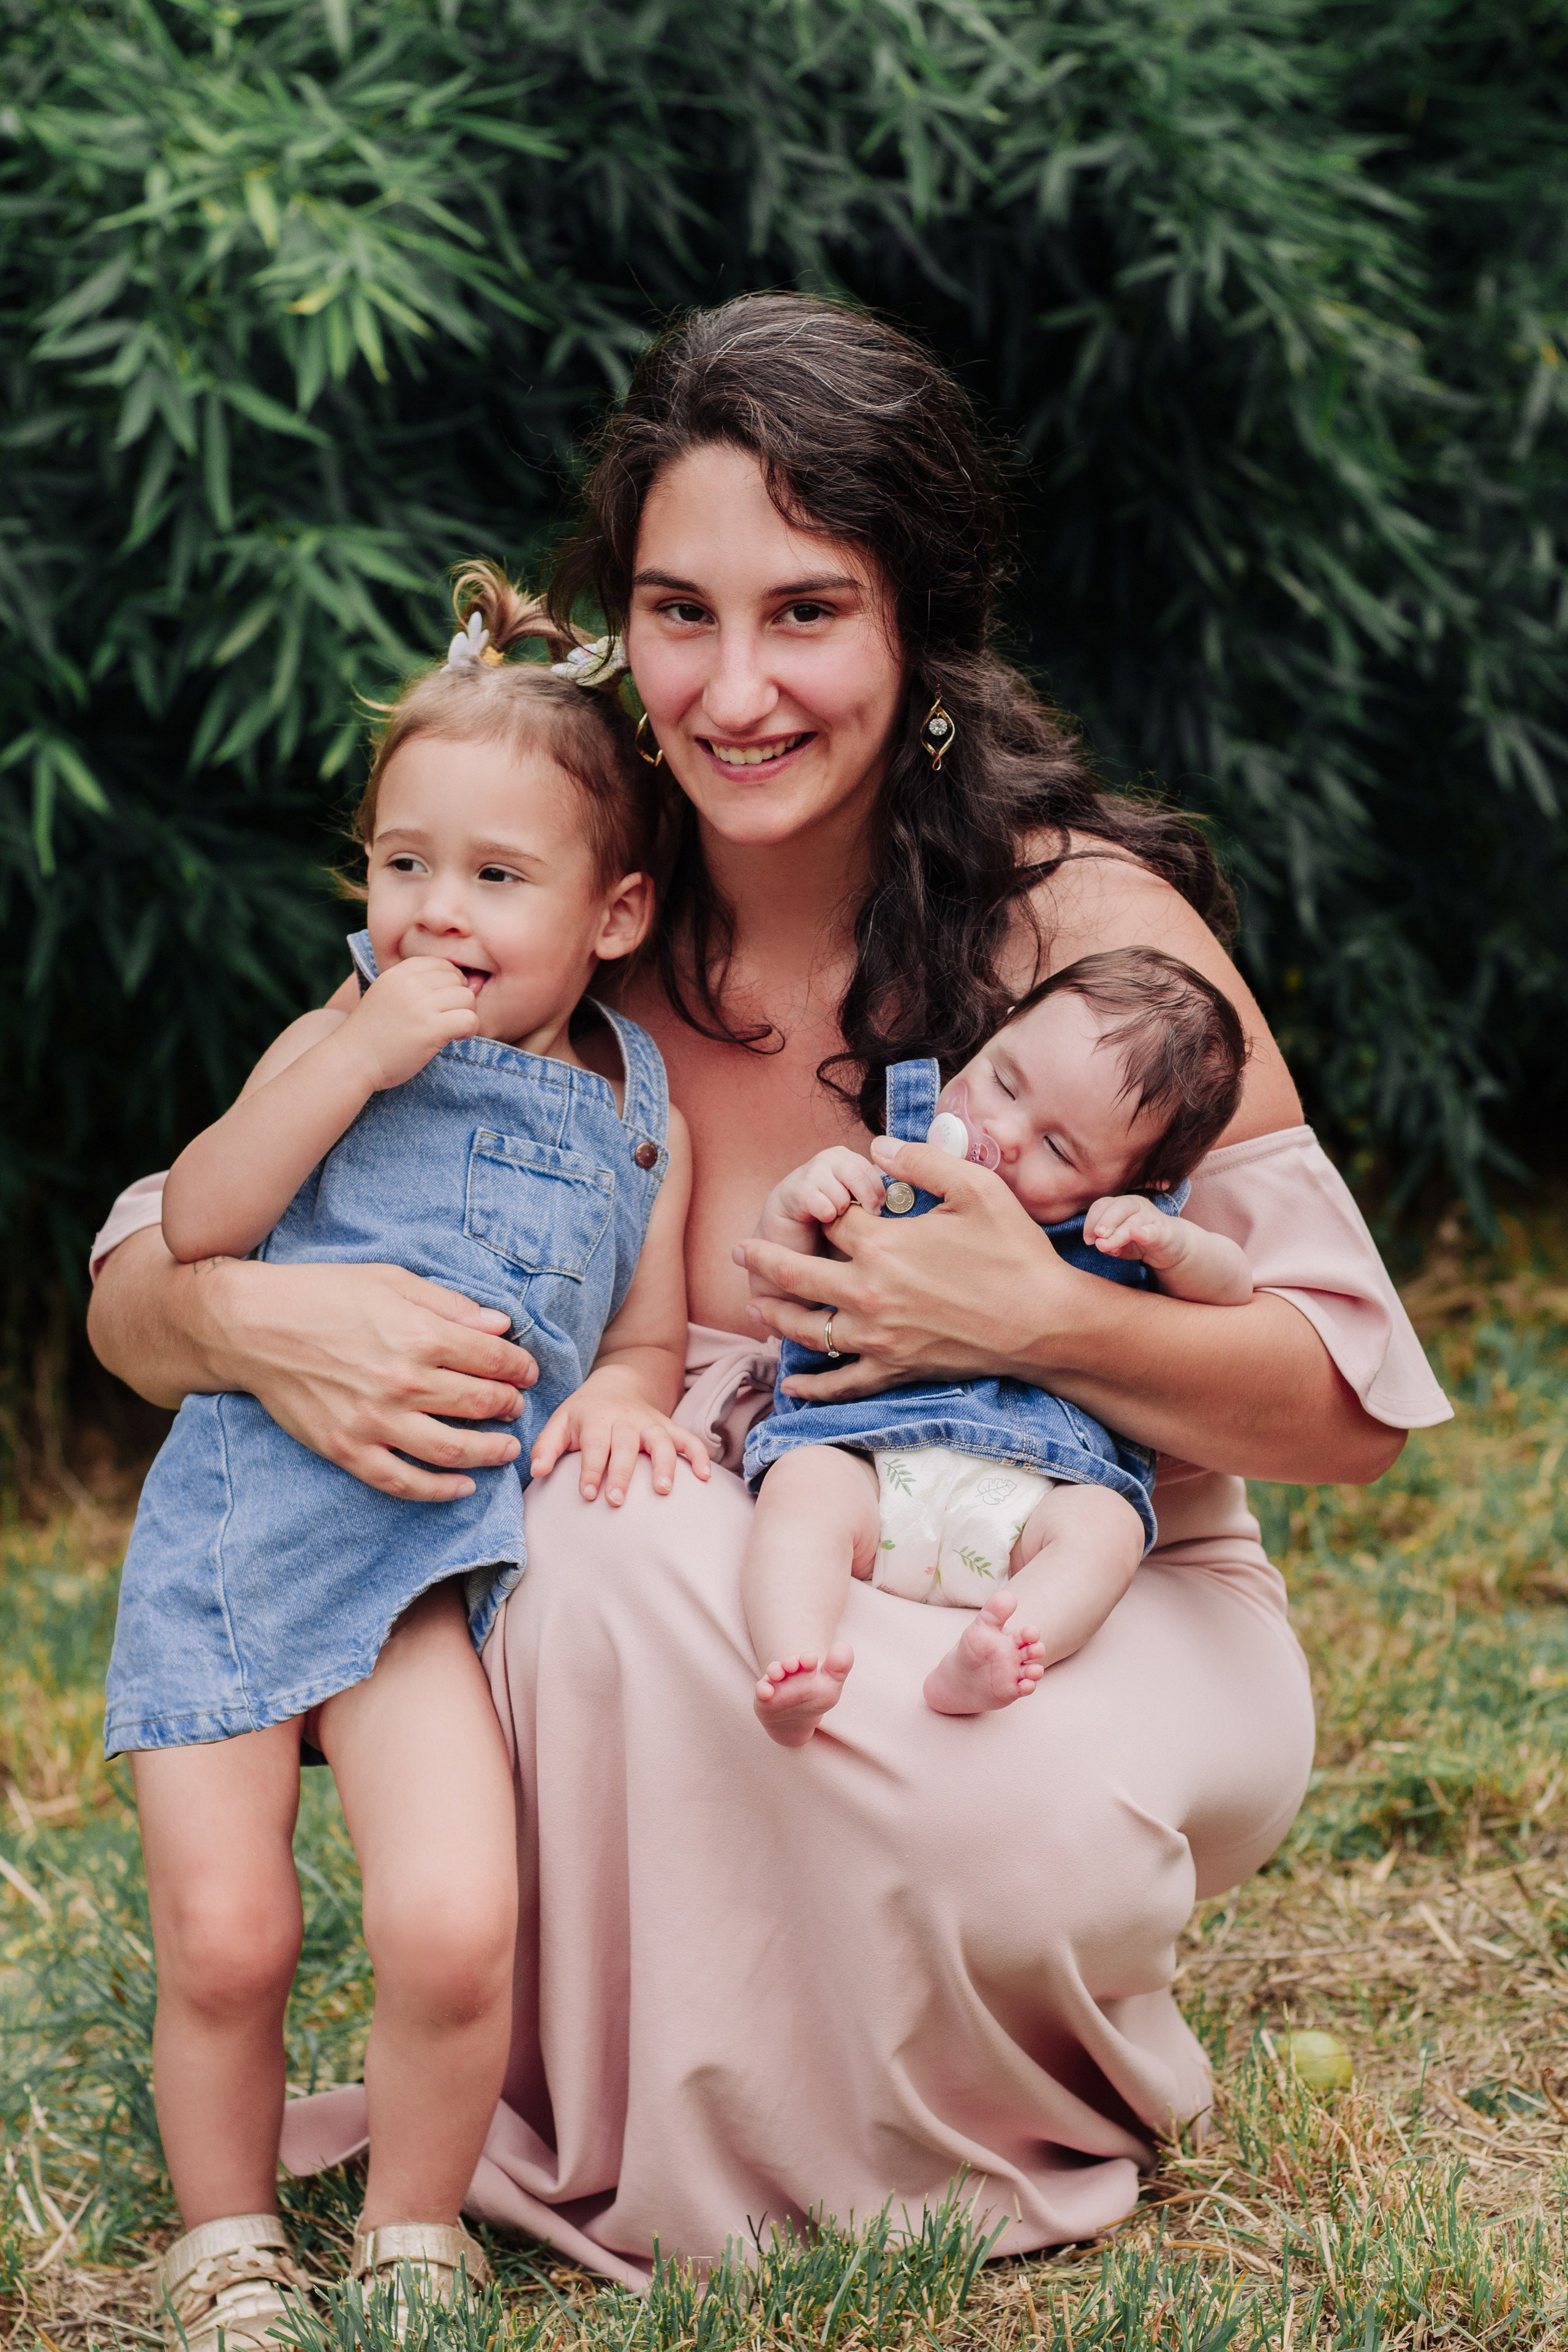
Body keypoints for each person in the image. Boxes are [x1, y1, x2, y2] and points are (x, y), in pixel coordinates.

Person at [88, 295, 1451, 2289]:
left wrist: (1030, 1317)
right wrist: (248, 1327)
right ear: (621, 632)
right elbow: (158, 1261)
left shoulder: (1079, 932)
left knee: (994, 1818)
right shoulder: (544, 912)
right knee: (600, 1540)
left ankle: (932, 2044)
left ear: (919, 635)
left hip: (1074, 1579)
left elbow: (1347, 1410)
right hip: (733, 1574)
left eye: (807, 611)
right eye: (680, 613)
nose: (736, 688)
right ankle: (672, 2140)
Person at [100, 567, 705, 2350]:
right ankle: (225, 2240)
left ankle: (413, 2231)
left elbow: (647, 1329)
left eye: (497, 879)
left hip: (429, 1561)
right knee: (230, 1937)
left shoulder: (637, 1105)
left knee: (452, 1924)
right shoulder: (337, 1042)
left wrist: (628, 1397)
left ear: (615, 914)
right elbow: (200, 1223)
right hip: (240, 1523)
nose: (436, 912)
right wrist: (347, 1059)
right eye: (401, 866)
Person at [741, 947, 1255, 1741]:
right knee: (799, 1493)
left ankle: (1002, 1651)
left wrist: (1172, 1245)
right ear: (995, 1034)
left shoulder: (1119, 1235)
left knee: (1106, 1530)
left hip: (1034, 1498)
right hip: (864, 1462)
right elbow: (786, 1284)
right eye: (1005, 1082)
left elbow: (1231, 1291)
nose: (1005, 1133)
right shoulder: (894, 1173)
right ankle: (794, 1662)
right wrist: (797, 1203)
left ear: (1135, 1186)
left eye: (1058, 1148)